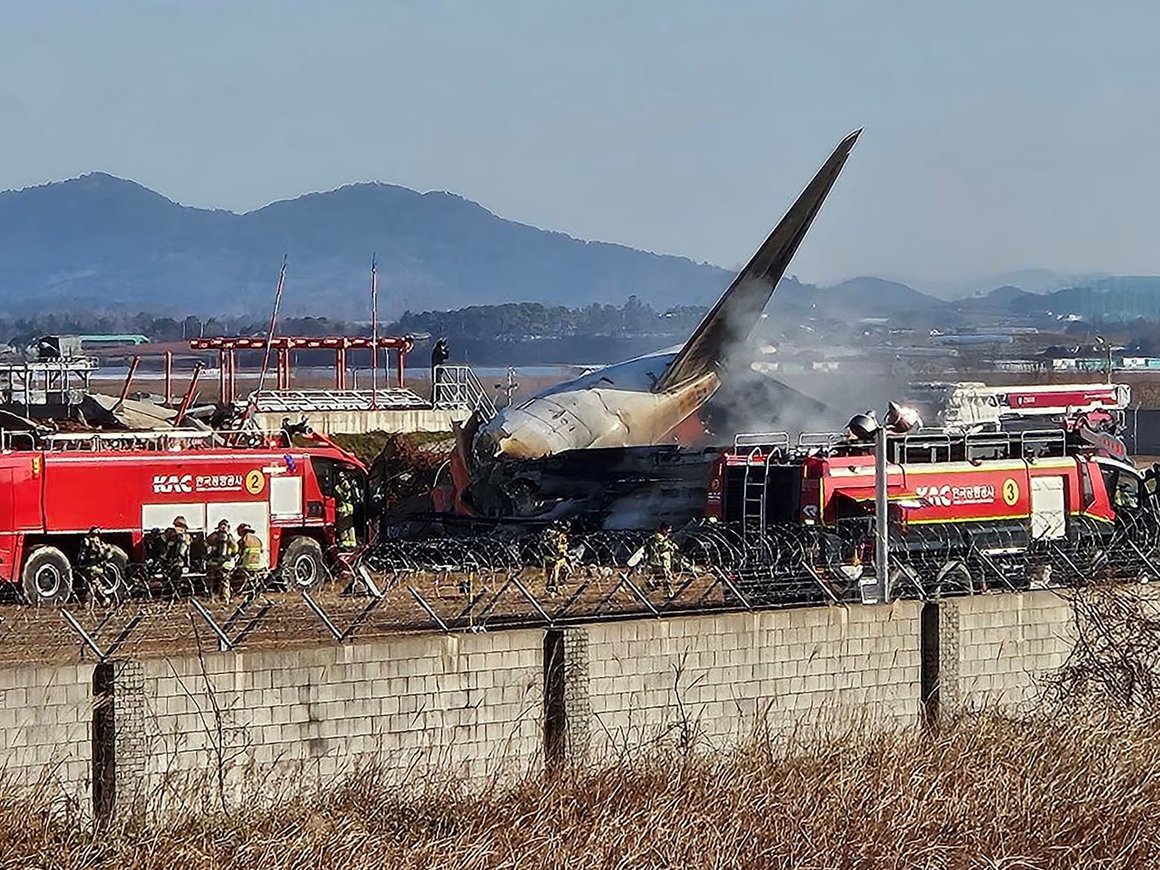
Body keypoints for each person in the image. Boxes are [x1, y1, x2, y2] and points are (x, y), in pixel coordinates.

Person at [76, 526, 116, 607]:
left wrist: (79, 564)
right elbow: (106, 555)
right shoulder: (95, 542)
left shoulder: (88, 541)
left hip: (91, 568)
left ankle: (91, 603)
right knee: (93, 586)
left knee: (93, 586)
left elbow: (82, 555)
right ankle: (100, 602)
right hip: (94, 568)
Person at [205, 519, 239, 603]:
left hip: (215, 563)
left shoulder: (213, 536)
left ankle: (211, 598)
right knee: (224, 581)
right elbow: (235, 549)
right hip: (224, 563)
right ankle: (224, 599)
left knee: (212, 581)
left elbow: (206, 543)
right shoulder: (230, 537)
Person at [646, 522, 677, 598]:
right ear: (663, 529)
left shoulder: (663, 537)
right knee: (666, 576)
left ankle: (653, 586)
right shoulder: (659, 536)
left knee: (662, 576)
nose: (669, 532)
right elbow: (662, 547)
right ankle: (668, 593)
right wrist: (670, 545)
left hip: (664, 560)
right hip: (661, 560)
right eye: (668, 530)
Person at [540, 520, 570, 597]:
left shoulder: (562, 536)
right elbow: (553, 547)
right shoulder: (552, 535)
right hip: (553, 559)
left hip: (561, 559)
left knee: (568, 571)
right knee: (553, 576)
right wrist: (561, 550)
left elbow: (564, 546)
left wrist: (564, 550)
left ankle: (559, 585)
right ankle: (552, 589)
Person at [234, 523, 265, 594]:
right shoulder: (257, 539)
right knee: (253, 578)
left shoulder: (243, 540)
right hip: (257, 564)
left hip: (247, 564)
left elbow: (239, 553)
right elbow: (261, 550)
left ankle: (240, 591)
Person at [334, 472, 358, 550]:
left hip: (344, 508)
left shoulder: (343, 484)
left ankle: (345, 541)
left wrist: (337, 489)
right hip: (348, 508)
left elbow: (346, 495)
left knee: (343, 526)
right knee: (348, 525)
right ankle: (351, 541)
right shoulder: (348, 483)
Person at [430, 337, 450, 402]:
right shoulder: (437, 350)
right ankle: (435, 399)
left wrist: (446, 352)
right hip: (436, 370)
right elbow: (443, 356)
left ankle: (436, 398)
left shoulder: (438, 350)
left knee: (438, 384)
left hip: (439, 369)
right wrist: (445, 352)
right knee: (437, 384)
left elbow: (446, 357)